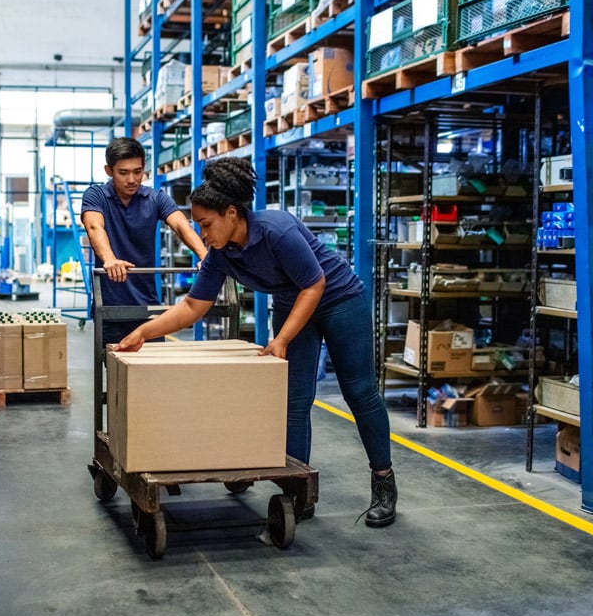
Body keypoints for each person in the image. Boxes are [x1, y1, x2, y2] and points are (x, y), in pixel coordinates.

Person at [114, 158, 397, 527]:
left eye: (206, 224)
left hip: (339, 300)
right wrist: (144, 332)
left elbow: (315, 285)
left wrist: (280, 340)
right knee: (294, 401)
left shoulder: (276, 229)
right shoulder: (220, 255)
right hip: (292, 304)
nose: (201, 234)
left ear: (231, 213)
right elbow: (192, 307)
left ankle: (384, 482)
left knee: (359, 392)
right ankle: (298, 493)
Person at [81, 137, 208, 344]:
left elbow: (180, 225)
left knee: (152, 370)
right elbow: (94, 226)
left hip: (148, 305)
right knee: (116, 370)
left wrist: (204, 256)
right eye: (123, 172)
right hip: (110, 307)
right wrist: (109, 259)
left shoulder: (156, 198)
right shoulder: (96, 196)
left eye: (137, 171)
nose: (132, 179)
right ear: (108, 170)